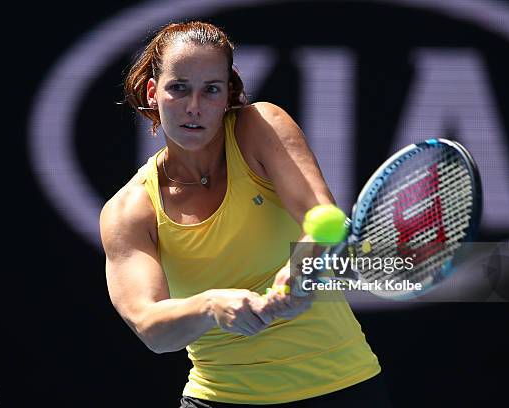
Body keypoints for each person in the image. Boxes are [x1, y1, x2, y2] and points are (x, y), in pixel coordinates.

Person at [100, 21, 391, 407]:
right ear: (154, 93)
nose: (194, 107)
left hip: (340, 388)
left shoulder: (259, 128)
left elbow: (323, 219)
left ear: (228, 94)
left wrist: (301, 266)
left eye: (211, 90)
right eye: (179, 88)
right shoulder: (129, 211)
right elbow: (152, 329)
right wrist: (211, 306)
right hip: (218, 398)